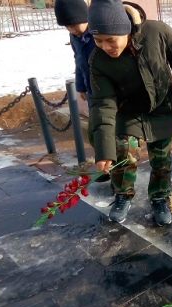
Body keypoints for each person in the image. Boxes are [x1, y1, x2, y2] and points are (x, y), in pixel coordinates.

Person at [87, 0, 172, 225]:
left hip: (160, 107)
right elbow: (103, 104)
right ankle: (122, 195)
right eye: (97, 41)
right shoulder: (98, 60)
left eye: (110, 40)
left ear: (125, 30)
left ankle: (159, 196)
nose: (105, 47)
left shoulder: (157, 32)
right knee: (124, 155)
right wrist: (103, 150)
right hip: (127, 111)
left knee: (161, 158)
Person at [54, 0, 109, 182]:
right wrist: (81, 86)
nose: (72, 30)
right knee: (95, 132)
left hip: (108, 91)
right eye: (67, 27)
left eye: (74, 24)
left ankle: (119, 171)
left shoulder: (100, 33)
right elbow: (78, 62)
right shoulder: (75, 38)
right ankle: (105, 168)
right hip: (92, 91)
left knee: (110, 133)